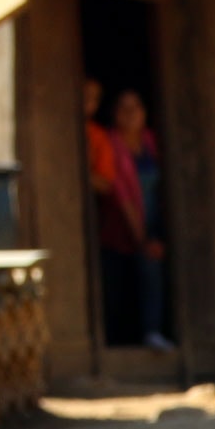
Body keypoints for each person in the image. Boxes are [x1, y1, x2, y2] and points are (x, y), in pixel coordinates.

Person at [82, 77, 146, 346]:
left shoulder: (98, 138)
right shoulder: (104, 139)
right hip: (105, 229)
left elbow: (107, 183)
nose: (87, 103)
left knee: (117, 290)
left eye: (93, 97)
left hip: (110, 228)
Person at [110, 88, 169, 351]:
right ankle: (137, 335)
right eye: (124, 108)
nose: (131, 114)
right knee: (124, 279)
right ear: (115, 115)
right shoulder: (113, 146)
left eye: (136, 107)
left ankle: (155, 330)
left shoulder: (152, 142)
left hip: (154, 218)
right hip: (122, 224)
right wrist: (143, 238)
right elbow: (122, 195)